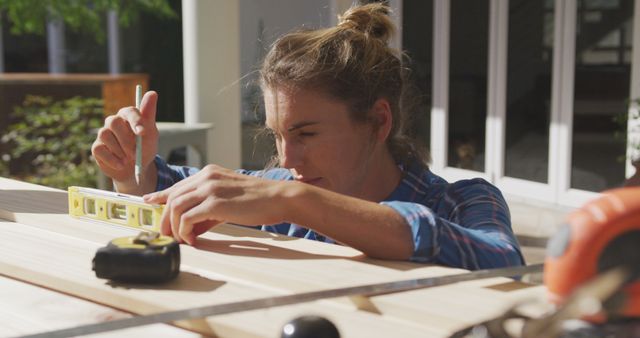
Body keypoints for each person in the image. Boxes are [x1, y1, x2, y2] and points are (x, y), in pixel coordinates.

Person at [91, 3, 524, 270]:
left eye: (306, 133)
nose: (287, 158)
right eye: (277, 135)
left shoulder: (465, 201)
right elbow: (178, 187)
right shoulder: (285, 191)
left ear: (378, 121)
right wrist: (135, 168)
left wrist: (301, 203)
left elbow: (502, 262)